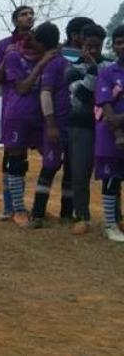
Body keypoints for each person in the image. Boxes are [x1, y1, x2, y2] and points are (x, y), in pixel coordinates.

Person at [1, 27, 55, 227]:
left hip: (42, 117)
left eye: (33, 39)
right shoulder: (14, 57)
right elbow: (22, 87)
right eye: (26, 38)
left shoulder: (50, 58)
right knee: (17, 161)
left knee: (51, 160)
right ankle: (18, 209)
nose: (29, 42)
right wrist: (41, 64)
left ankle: (39, 208)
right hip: (18, 115)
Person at [0, 6, 35, 220]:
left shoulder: (39, 44)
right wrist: (9, 57)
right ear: (15, 20)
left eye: (31, 13)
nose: (29, 17)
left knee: (24, 156)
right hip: (12, 107)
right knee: (12, 154)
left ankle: (19, 206)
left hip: (35, 108)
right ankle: (10, 207)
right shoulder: (3, 45)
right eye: (24, 14)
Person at [27, 22, 72, 228]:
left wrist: (51, 124)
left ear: (42, 42)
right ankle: (63, 213)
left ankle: (38, 215)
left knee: (51, 167)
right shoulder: (61, 62)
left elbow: (46, 94)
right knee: (61, 167)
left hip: (59, 123)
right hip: (65, 123)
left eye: (35, 38)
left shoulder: (53, 64)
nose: (32, 42)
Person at [67, 22, 108, 235]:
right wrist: (93, 70)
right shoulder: (72, 69)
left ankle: (114, 217)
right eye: (89, 46)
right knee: (80, 173)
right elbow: (80, 98)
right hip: (80, 126)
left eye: (97, 46)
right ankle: (81, 215)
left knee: (113, 172)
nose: (92, 51)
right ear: (81, 44)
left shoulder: (111, 66)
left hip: (107, 127)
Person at [95, 24, 124, 241]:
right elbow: (106, 106)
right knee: (111, 179)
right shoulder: (107, 72)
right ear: (113, 46)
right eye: (119, 42)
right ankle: (110, 224)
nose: (123, 46)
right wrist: (117, 125)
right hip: (111, 134)